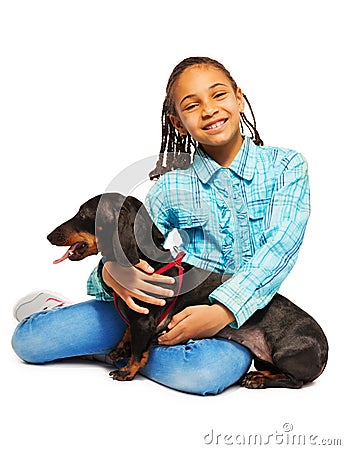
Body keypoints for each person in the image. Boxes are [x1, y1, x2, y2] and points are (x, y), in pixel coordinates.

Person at [11, 56, 310, 395]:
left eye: (218, 95)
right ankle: (90, 328)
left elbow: (279, 251)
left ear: (239, 98)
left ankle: (120, 350)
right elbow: (133, 246)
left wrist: (224, 310)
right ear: (178, 123)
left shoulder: (286, 166)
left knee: (205, 373)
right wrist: (110, 273)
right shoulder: (171, 187)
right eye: (192, 105)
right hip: (157, 308)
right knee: (30, 342)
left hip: (240, 321)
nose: (209, 110)